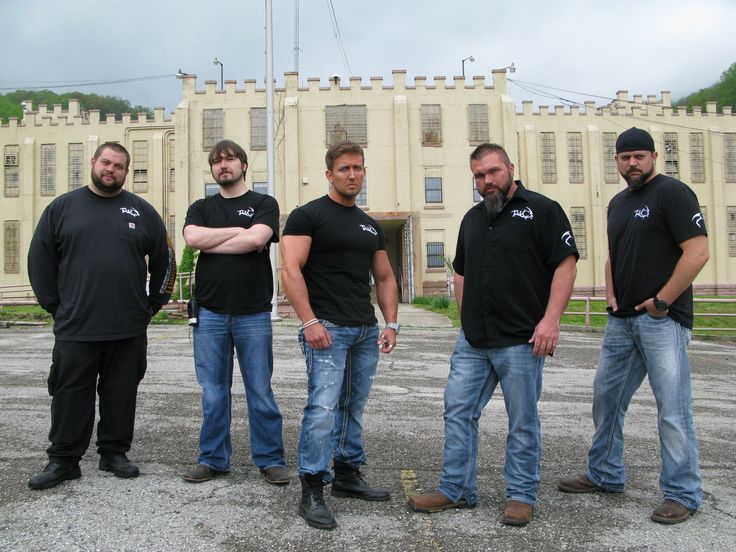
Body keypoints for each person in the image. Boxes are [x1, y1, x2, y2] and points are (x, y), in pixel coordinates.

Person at [407, 143, 578, 526]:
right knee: (458, 411)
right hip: (474, 342)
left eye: (493, 171)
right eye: (479, 175)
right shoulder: (472, 219)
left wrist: (551, 320)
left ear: (510, 169)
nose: (487, 180)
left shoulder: (542, 210)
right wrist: (464, 319)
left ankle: (521, 495)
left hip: (522, 339)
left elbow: (565, 264)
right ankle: (456, 489)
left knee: (522, 420)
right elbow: (462, 272)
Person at [558, 127, 709, 524]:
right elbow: (614, 255)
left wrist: (663, 301)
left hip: (663, 321)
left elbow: (698, 252)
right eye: (625, 157)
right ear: (617, 162)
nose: (632, 163)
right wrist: (611, 294)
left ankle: (683, 492)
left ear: (654, 157)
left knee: (672, 409)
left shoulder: (673, 194)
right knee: (606, 399)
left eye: (640, 156)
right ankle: (605, 473)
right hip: (621, 322)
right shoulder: (617, 203)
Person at [27, 142, 177, 490]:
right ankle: (64, 460)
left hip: (128, 327)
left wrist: (152, 305)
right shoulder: (62, 208)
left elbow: (166, 259)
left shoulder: (142, 211)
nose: (111, 169)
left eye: (119, 166)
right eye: (106, 162)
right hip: (76, 326)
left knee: (121, 393)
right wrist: (56, 307)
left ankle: (114, 453)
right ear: (93, 163)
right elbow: (39, 260)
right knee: (69, 394)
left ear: (126, 172)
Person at [281, 141, 399, 530]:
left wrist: (391, 323)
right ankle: (312, 488)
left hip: (364, 330)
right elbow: (290, 271)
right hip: (327, 328)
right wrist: (309, 322)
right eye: (345, 168)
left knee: (352, 405)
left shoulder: (369, 225)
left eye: (358, 168)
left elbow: (385, 277)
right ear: (329, 174)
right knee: (323, 408)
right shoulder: (307, 216)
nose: (352, 174)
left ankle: (347, 474)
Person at [181, 139, 288, 486]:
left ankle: (270, 459)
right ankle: (213, 459)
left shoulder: (264, 203)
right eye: (216, 161)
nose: (222, 165)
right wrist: (238, 232)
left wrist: (218, 241)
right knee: (213, 393)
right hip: (209, 314)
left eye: (229, 159)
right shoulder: (201, 207)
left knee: (260, 391)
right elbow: (192, 238)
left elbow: (257, 240)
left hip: (253, 314)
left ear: (244, 165)